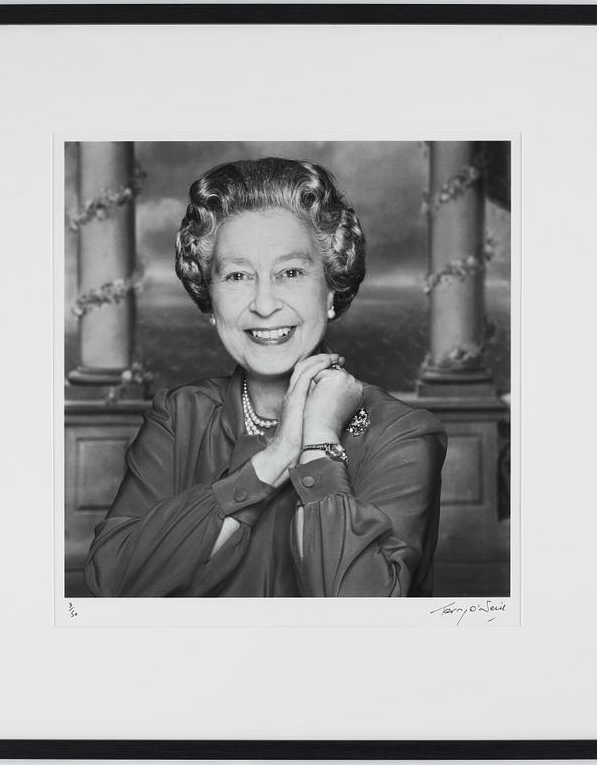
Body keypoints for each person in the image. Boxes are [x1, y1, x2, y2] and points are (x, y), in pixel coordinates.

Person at [84, 157, 446, 597]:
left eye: (290, 273)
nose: (263, 303)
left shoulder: (400, 434)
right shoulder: (180, 417)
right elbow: (111, 584)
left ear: (331, 289)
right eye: (237, 276)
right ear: (210, 301)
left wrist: (317, 445)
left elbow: (363, 614)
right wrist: (273, 460)